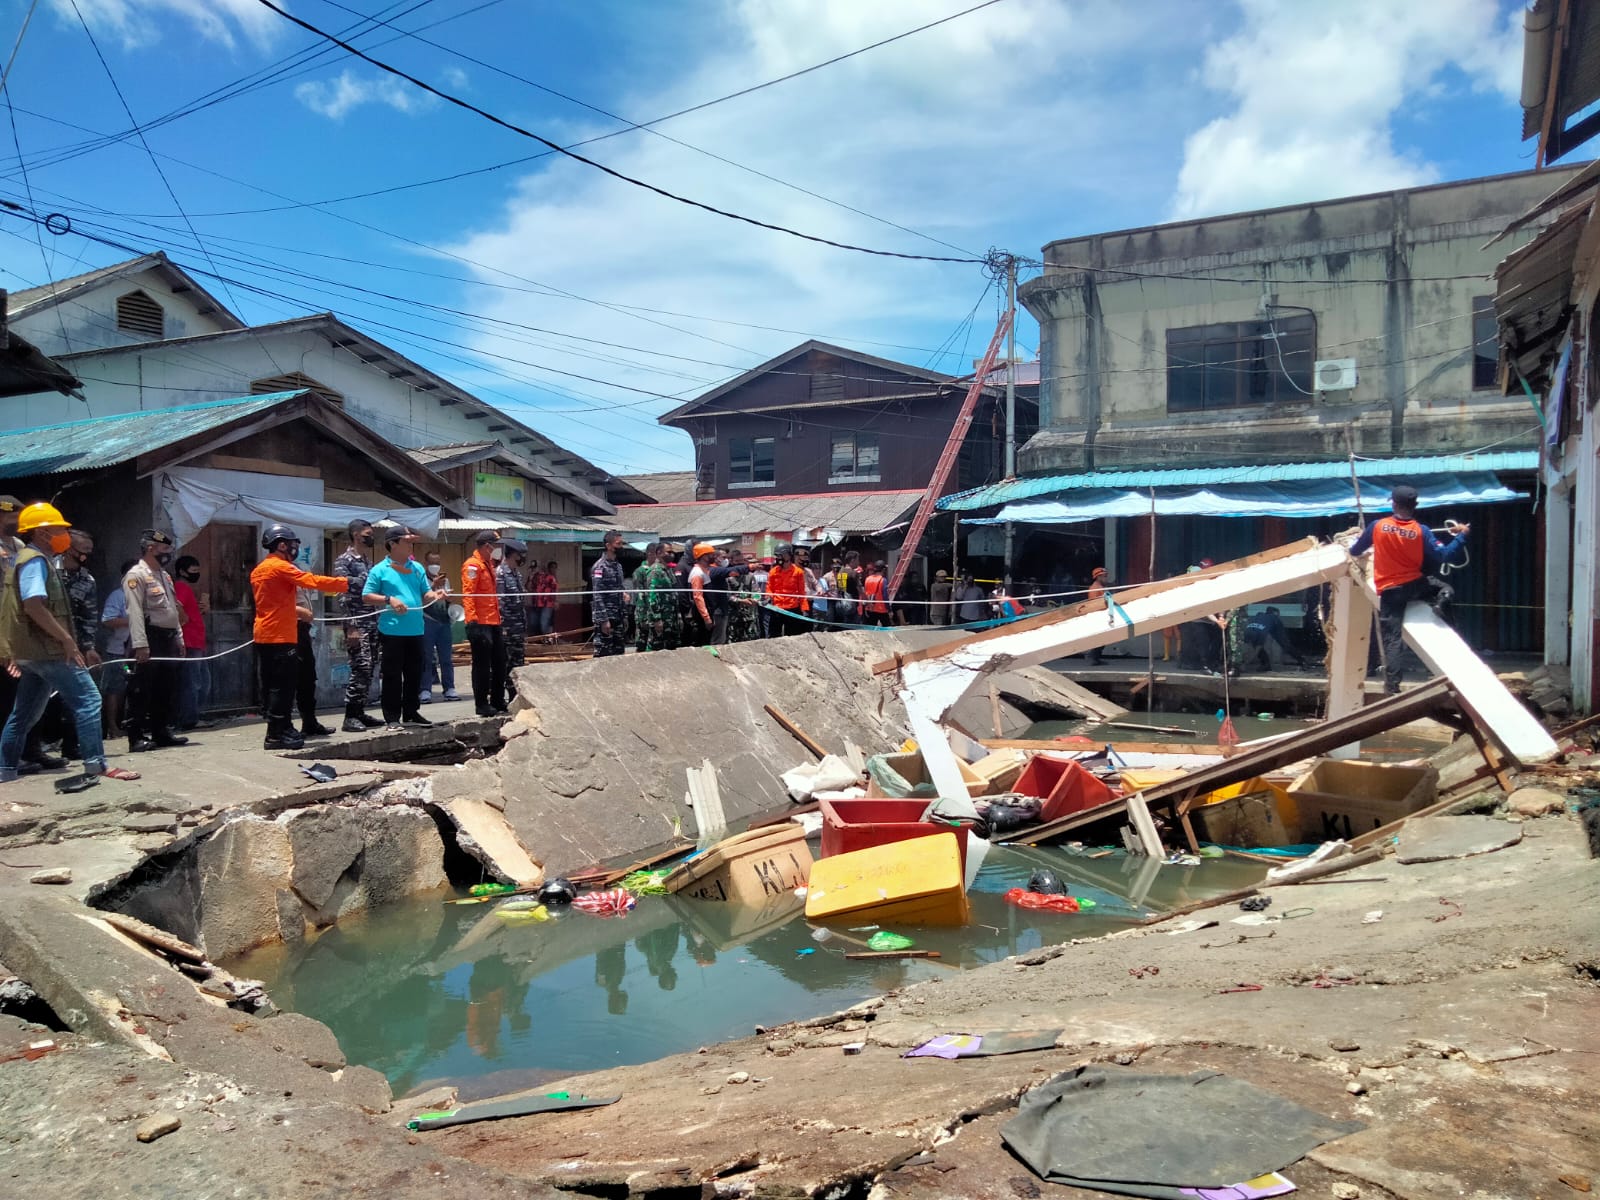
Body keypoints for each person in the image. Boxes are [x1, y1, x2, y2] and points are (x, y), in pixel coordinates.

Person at [0, 504, 138, 790]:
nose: (64, 534)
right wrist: (66, 640)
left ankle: (5, 768)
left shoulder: (29, 558)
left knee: (24, 712)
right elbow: (33, 605)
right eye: (60, 529)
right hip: (47, 650)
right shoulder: (35, 561)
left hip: (31, 652)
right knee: (89, 700)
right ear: (42, 532)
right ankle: (96, 763)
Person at [1349, 484, 1469, 694]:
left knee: (1393, 639)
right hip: (1415, 585)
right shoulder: (1421, 531)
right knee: (1444, 588)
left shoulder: (1377, 526)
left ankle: (1392, 687)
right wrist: (1462, 536)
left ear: (1393, 504)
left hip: (1390, 590)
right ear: (1415, 506)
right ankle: (1441, 604)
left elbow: (1355, 550)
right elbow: (1445, 555)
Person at [250, 524, 353, 751]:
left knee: (275, 686)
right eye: (292, 545)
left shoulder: (260, 569)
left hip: (266, 633)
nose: (295, 549)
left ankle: (282, 729)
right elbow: (312, 581)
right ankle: (277, 735)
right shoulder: (280, 567)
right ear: (281, 544)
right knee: (282, 688)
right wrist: (346, 584)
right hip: (280, 635)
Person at [363, 526, 445, 730]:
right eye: (407, 541)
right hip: (392, 631)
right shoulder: (380, 570)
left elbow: (425, 593)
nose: (411, 545)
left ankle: (411, 712)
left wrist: (436, 595)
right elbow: (366, 596)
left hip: (416, 629)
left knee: (414, 673)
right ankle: (392, 717)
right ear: (393, 544)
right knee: (392, 675)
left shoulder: (416, 568)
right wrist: (389, 599)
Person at [122, 530, 188, 754]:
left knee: (165, 687)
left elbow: (172, 609)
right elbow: (135, 613)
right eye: (164, 549)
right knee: (141, 688)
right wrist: (140, 644)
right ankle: (136, 736)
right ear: (151, 548)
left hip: (167, 637)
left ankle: (162, 732)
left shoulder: (164, 575)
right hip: (149, 636)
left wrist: (179, 636)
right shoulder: (136, 575)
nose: (168, 554)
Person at [333, 518, 384, 732]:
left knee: (370, 668)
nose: (370, 537)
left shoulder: (366, 560)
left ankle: (360, 712)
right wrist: (351, 626)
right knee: (360, 667)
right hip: (357, 623)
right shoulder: (344, 561)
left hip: (372, 621)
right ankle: (350, 716)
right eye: (367, 534)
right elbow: (342, 593)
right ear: (356, 535)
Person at [463, 530, 509, 716]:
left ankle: (497, 700)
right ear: (487, 546)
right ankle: (481, 704)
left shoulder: (488, 564)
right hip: (480, 622)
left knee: (500, 662)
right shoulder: (472, 566)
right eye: (496, 545)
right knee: (482, 665)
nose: (498, 549)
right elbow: (468, 594)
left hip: (493, 620)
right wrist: (472, 621)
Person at [170, 554, 212, 731]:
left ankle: (191, 716)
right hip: (189, 643)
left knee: (200, 681)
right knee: (193, 683)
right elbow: (175, 605)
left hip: (196, 642)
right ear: (182, 571)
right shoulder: (181, 587)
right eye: (193, 571)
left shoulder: (187, 589)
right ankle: (189, 718)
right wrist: (184, 618)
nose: (196, 574)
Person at [99, 559, 136, 739]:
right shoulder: (118, 596)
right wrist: (133, 619)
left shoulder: (145, 596)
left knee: (131, 690)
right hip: (118, 651)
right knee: (114, 689)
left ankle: (129, 724)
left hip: (137, 651)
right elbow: (107, 620)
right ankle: (112, 727)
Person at [294, 586, 336, 739]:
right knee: (292, 680)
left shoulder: (293, 571)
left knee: (308, 678)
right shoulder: (277, 571)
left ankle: (310, 723)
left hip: (302, 628)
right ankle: (283, 728)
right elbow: (275, 602)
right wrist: (301, 612)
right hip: (289, 628)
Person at [418, 549, 458, 703]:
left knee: (446, 657)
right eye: (432, 562)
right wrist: (434, 586)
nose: (435, 566)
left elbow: (446, 599)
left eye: (438, 563)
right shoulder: (423, 580)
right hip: (427, 621)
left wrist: (450, 598)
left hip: (444, 622)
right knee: (427, 658)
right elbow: (422, 600)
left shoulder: (445, 580)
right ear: (426, 563)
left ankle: (449, 688)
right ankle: (425, 689)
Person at [590, 530, 628, 658]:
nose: (621, 547)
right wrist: (604, 620)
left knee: (618, 655)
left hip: (618, 617)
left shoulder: (618, 566)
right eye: (618, 544)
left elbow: (620, 588)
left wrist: (624, 595)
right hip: (606, 619)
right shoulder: (600, 567)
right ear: (608, 546)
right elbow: (597, 595)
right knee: (604, 655)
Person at [496, 538, 529, 684]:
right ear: (513, 554)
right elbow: (500, 602)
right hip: (507, 628)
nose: (522, 558)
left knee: (518, 664)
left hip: (518, 627)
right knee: (504, 663)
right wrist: (502, 628)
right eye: (520, 554)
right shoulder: (501, 573)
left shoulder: (517, 574)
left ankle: (514, 695)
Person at [641, 542, 680, 651]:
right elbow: (652, 596)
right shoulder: (655, 571)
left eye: (672, 552)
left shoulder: (668, 570)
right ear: (659, 553)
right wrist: (656, 619)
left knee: (670, 648)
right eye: (669, 552)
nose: (672, 554)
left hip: (670, 617)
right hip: (661, 618)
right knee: (656, 648)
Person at [1240, 606, 1304, 672]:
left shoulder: (1250, 627)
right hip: (1266, 629)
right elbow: (1256, 650)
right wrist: (1245, 663)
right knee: (1285, 644)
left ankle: (1266, 664)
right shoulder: (1274, 618)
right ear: (1275, 613)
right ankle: (1301, 660)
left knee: (1258, 648)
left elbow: (1250, 648)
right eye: (1278, 615)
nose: (1279, 616)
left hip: (1256, 630)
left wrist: (1244, 663)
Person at [764, 545, 808, 637]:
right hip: (777, 608)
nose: (778, 558)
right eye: (777, 556)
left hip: (792, 608)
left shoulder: (798, 572)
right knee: (773, 636)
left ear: (788, 555)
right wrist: (768, 597)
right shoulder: (773, 571)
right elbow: (769, 588)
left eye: (781, 555)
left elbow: (801, 592)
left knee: (793, 636)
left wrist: (804, 609)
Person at [687, 542, 716, 643]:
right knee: (702, 641)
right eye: (711, 555)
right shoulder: (697, 573)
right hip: (700, 616)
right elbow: (698, 597)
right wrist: (706, 618)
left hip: (707, 612)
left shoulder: (704, 571)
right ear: (703, 557)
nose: (714, 557)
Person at [631, 545, 656, 653]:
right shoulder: (640, 572)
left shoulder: (658, 570)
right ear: (650, 554)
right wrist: (643, 617)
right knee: (642, 643)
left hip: (654, 612)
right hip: (644, 613)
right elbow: (639, 595)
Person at [1085, 566, 1108, 666]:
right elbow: (1095, 604)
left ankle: (1096, 657)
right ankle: (1092, 656)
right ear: (1098, 577)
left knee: (1103, 638)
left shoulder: (1100, 587)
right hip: (1097, 615)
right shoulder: (1095, 588)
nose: (1106, 578)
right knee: (1100, 637)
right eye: (1104, 576)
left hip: (1101, 614)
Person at [531, 560, 559, 638]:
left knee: (545, 623)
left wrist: (556, 601)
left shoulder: (550, 577)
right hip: (536, 603)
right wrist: (530, 576)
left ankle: (547, 640)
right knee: (534, 623)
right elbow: (529, 588)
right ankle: (541, 641)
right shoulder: (534, 577)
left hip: (547, 603)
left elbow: (555, 589)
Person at [862, 561, 890, 627]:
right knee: (887, 628)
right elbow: (885, 596)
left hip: (870, 608)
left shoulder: (867, 579)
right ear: (883, 570)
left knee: (872, 630)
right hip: (881, 609)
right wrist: (889, 608)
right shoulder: (883, 580)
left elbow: (865, 593)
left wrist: (865, 607)